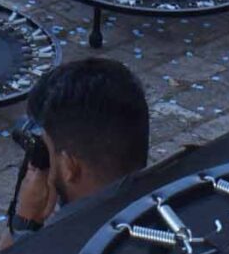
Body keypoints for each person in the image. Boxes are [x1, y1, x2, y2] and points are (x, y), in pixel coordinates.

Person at [8, 56, 152, 236]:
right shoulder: (173, 206)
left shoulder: (64, 252)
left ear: (70, 166)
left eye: (49, 150)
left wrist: (25, 221)